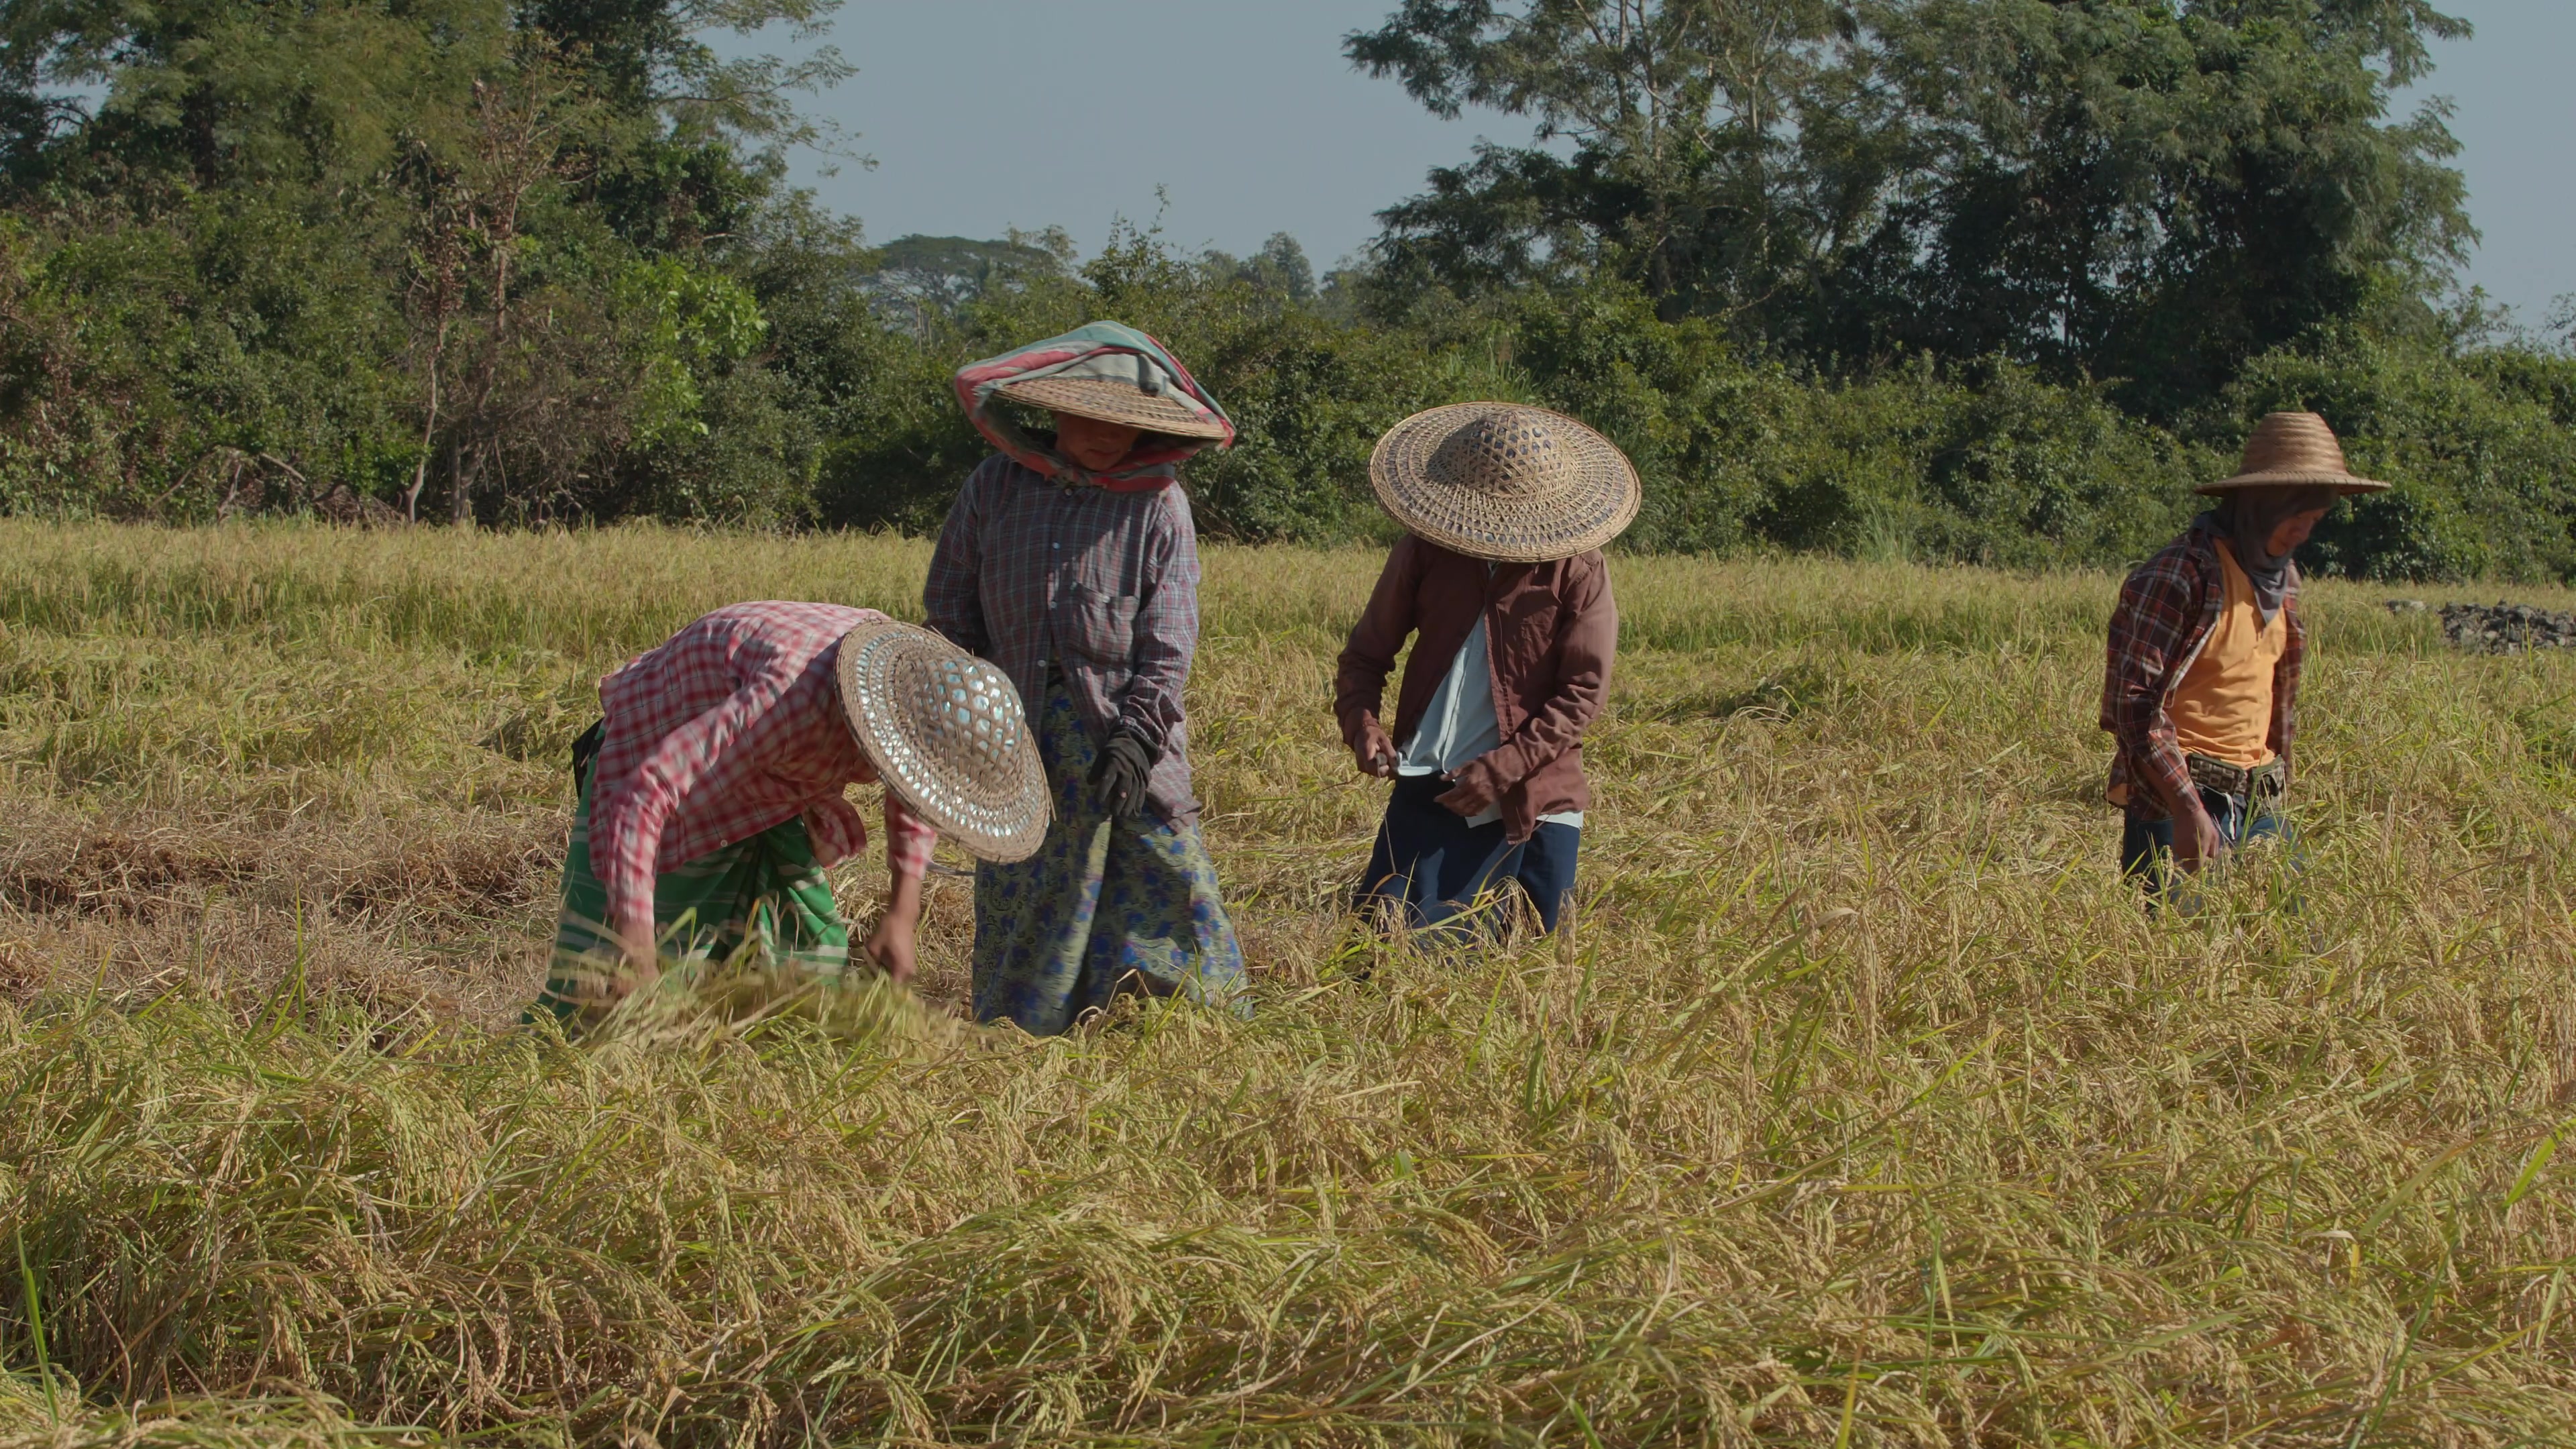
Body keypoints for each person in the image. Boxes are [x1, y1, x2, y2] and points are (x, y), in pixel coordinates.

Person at [925, 321, 1250, 1035]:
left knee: (1164, 872)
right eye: (1092, 417)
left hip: (1119, 737)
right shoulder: (997, 486)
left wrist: (1136, 740)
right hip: (1016, 742)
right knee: (1026, 886)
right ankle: (1024, 1029)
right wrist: (966, 704)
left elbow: (1169, 640)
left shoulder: (1158, 504)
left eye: (1124, 423)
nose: (1108, 435)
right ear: (1057, 413)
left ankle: (1187, 1029)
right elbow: (950, 603)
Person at [531, 606, 1050, 1024]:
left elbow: (912, 789)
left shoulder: (913, 695)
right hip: (666, 767)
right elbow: (644, 796)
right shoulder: (789, 699)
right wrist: (636, 946)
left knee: (807, 962)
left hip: (774, 786)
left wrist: (902, 913)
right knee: (622, 994)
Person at [1334, 402, 1639, 938]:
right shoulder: (1426, 551)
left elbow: (1582, 692)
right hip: (1431, 785)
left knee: (1529, 966)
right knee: (1382, 958)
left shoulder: (1577, 568)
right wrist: (1362, 724)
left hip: (1533, 799)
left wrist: (1504, 767)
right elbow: (1366, 654)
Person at [2100, 411, 2388, 898]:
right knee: (2177, 955)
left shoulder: (2285, 582)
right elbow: (2133, 704)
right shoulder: (2181, 576)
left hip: (2259, 797)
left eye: (2314, 522)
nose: (2303, 534)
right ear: (2260, 507)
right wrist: (2187, 808)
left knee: (2294, 948)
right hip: (2182, 796)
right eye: (2296, 520)